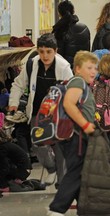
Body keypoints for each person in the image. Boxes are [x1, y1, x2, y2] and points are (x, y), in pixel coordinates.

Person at [8, 33, 73, 187]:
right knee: (37, 144)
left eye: (49, 51)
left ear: (55, 51)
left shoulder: (63, 67)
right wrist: (13, 103)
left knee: (60, 148)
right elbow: (18, 84)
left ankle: (63, 184)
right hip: (37, 111)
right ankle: (51, 168)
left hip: (58, 113)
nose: (45, 55)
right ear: (38, 51)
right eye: (41, 51)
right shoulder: (31, 65)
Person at [48, 51, 98, 216]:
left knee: (80, 171)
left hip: (76, 136)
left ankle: (85, 208)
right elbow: (69, 105)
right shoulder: (78, 81)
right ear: (77, 69)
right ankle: (57, 209)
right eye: (89, 67)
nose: (93, 71)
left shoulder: (81, 83)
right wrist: (85, 125)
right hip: (76, 136)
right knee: (76, 171)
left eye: (95, 68)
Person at [52, 0, 90, 69]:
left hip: (66, 69)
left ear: (59, 13)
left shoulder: (60, 29)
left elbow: (58, 55)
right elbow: (88, 50)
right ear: (73, 10)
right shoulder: (85, 28)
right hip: (83, 67)